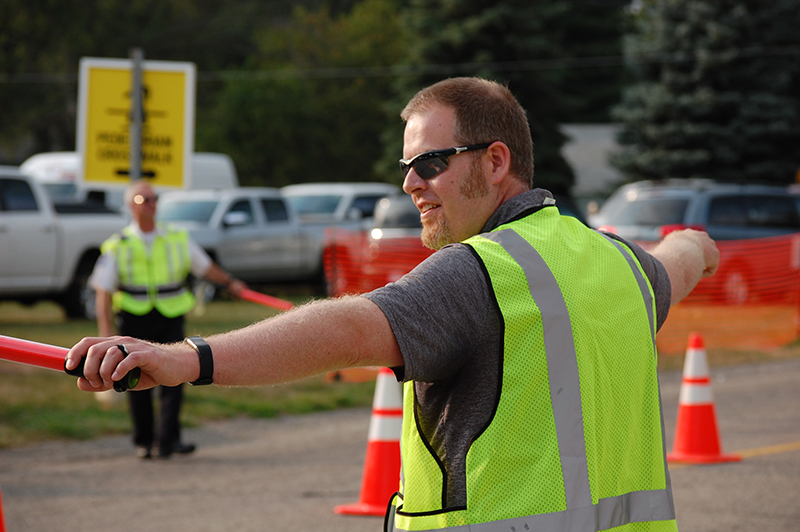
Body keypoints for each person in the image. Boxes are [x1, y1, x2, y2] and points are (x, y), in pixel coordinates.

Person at [69, 78, 718, 530]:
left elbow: (353, 325)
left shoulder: (478, 273)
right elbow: (678, 264)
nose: (410, 183)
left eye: (431, 162)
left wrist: (188, 359)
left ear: (496, 162)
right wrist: (697, 243)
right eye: (406, 165)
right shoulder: (619, 265)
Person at [89, 181, 247, 459]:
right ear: (130, 206)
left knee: (176, 375)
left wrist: (231, 283)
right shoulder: (119, 245)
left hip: (171, 314)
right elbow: (103, 290)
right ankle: (145, 441)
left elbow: (204, 266)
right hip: (135, 317)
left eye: (154, 198)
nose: (150, 203)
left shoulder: (176, 238)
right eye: (143, 199)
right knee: (134, 378)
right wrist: (106, 331)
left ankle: (168, 439)